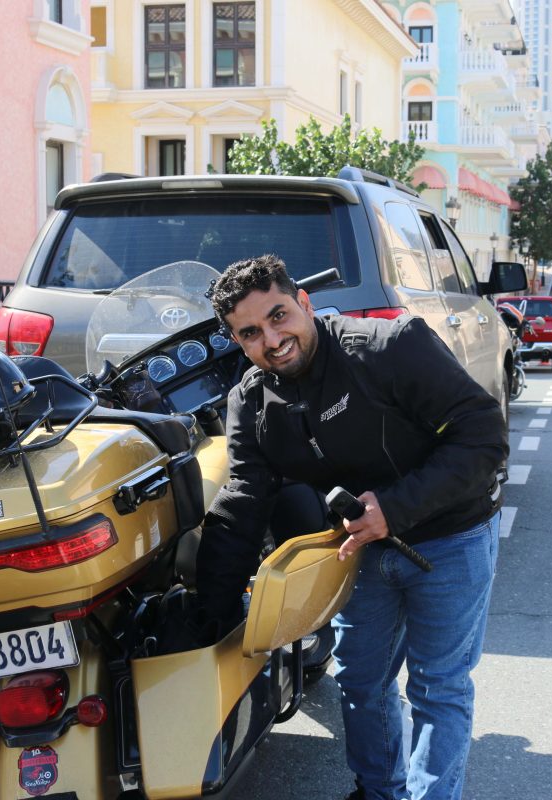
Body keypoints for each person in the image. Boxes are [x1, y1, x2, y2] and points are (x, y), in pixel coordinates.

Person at [196, 254, 506, 800]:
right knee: (361, 682)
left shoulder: (389, 347)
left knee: (438, 687)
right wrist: (208, 618)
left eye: (279, 316)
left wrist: (395, 507)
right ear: (237, 342)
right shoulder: (251, 400)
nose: (272, 340)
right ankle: (380, 791)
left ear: (305, 302)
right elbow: (243, 501)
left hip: (450, 535)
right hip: (357, 552)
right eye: (250, 333)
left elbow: (483, 437)